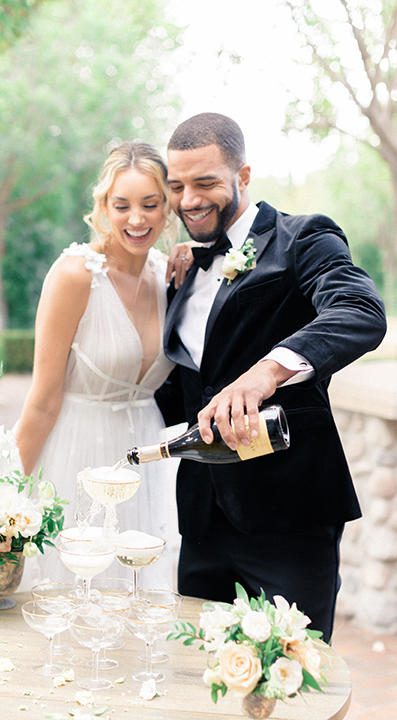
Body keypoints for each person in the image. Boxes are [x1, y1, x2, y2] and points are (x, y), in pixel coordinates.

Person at [158, 112, 387, 642]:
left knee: (295, 678)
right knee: (201, 679)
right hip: (201, 519)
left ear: (242, 176)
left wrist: (267, 371)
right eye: (177, 186)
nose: (188, 199)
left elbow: (360, 309)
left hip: (290, 514)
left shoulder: (304, 237)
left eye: (206, 183)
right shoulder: (185, 266)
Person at [16, 140, 184, 587]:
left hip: (144, 461)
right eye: (122, 204)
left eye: (151, 204)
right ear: (103, 207)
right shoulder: (76, 276)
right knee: (74, 591)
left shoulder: (171, 275)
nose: (136, 218)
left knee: (137, 594)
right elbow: (43, 400)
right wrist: (8, 496)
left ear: (167, 208)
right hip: (77, 453)